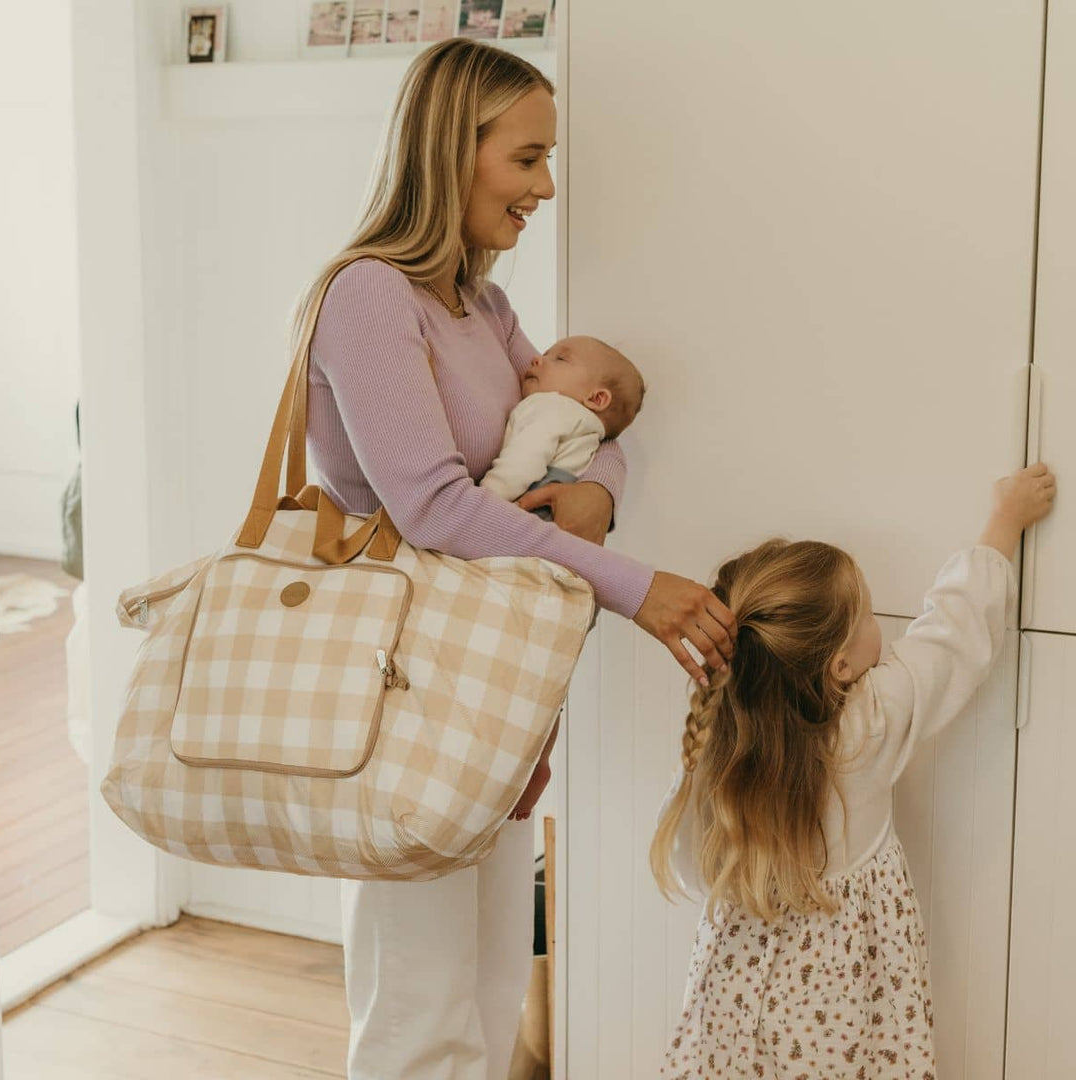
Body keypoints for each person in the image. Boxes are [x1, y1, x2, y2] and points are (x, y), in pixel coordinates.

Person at [298, 37, 736, 1080]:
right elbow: (437, 509)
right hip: (404, 687)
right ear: (454, 149)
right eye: (526, 159)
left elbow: (589, 431)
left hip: (490, 685)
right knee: (419, 1013)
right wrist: (637, 590)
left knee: (490, 992)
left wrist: (595, 495)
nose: (544, 187)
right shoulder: (370, 297)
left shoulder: (482, 309)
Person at [651, 463, 1056, 1078]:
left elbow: (687, 864)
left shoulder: (718, 747)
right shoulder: (868, 725)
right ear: (840, 667)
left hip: (740, 1007)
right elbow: (954, 633)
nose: (880, 628)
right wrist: (1006, 518)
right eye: (868, 617)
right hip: (842, 1005)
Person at [480, 334, 645, 518]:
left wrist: (486, 497)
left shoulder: (552, 407)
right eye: (545, 354)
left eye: (560, 359)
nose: (536, 359)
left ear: (596, 398)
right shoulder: (586, 428)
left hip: (524, 510)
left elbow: (524, 461)